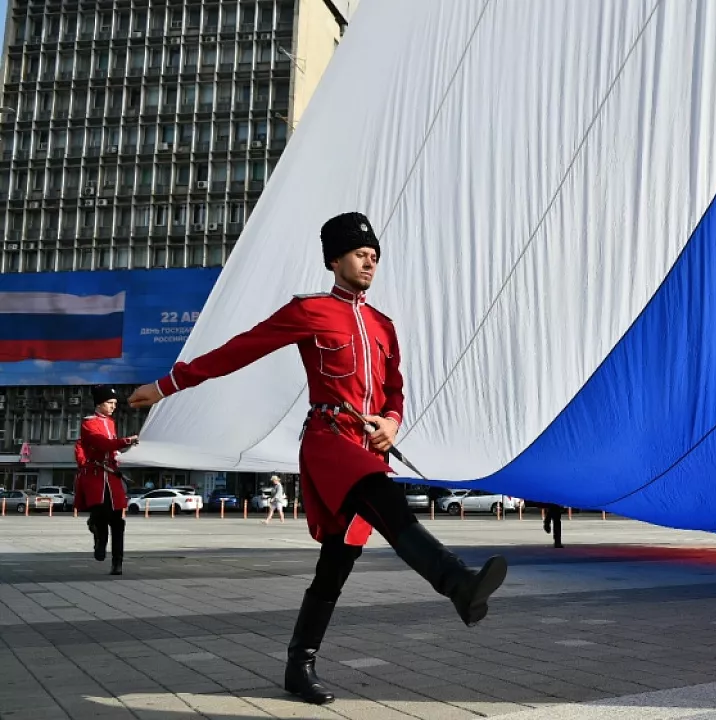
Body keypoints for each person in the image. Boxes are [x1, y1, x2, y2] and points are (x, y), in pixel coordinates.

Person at [127, 212, 507, 705]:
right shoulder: (310, 311)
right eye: (359, 253)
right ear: (335, 259)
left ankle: (298, 666)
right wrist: (167, 385)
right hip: (329, 441)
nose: (370, 261)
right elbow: (241, 350)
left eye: (374, 255)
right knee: (386, 500)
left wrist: (391, 423)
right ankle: (456, 580)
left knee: (338, 562)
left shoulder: (384, 326)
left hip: (366, 444)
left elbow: (395, 390)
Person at [73, 386, 137, 576]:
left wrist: (120, 453)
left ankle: (118, 562)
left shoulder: (110, 422)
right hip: (96, 475)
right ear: (99, 404)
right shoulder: (88, 423)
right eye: (110, 403)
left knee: (118, 521)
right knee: (102, 512)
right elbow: (103, 444)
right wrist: (127, 441)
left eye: (115, 404)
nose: (113, 407)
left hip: (111, 474)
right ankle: (100, 538)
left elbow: (111, 448)